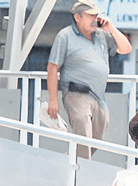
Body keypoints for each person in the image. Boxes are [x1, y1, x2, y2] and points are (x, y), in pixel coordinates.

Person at [47, 0, 132, 159]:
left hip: (98, 96)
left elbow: (126, 48)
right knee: (83, 136)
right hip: (75, 92)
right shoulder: (65, 36)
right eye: (90, 15)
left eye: (96, 15)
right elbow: (52, 67)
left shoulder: (101, 35)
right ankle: (83, 174)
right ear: (77, 17)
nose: (94, 18)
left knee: (97, 139)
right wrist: (53, 99)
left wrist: (111, 28)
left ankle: (70, 158)